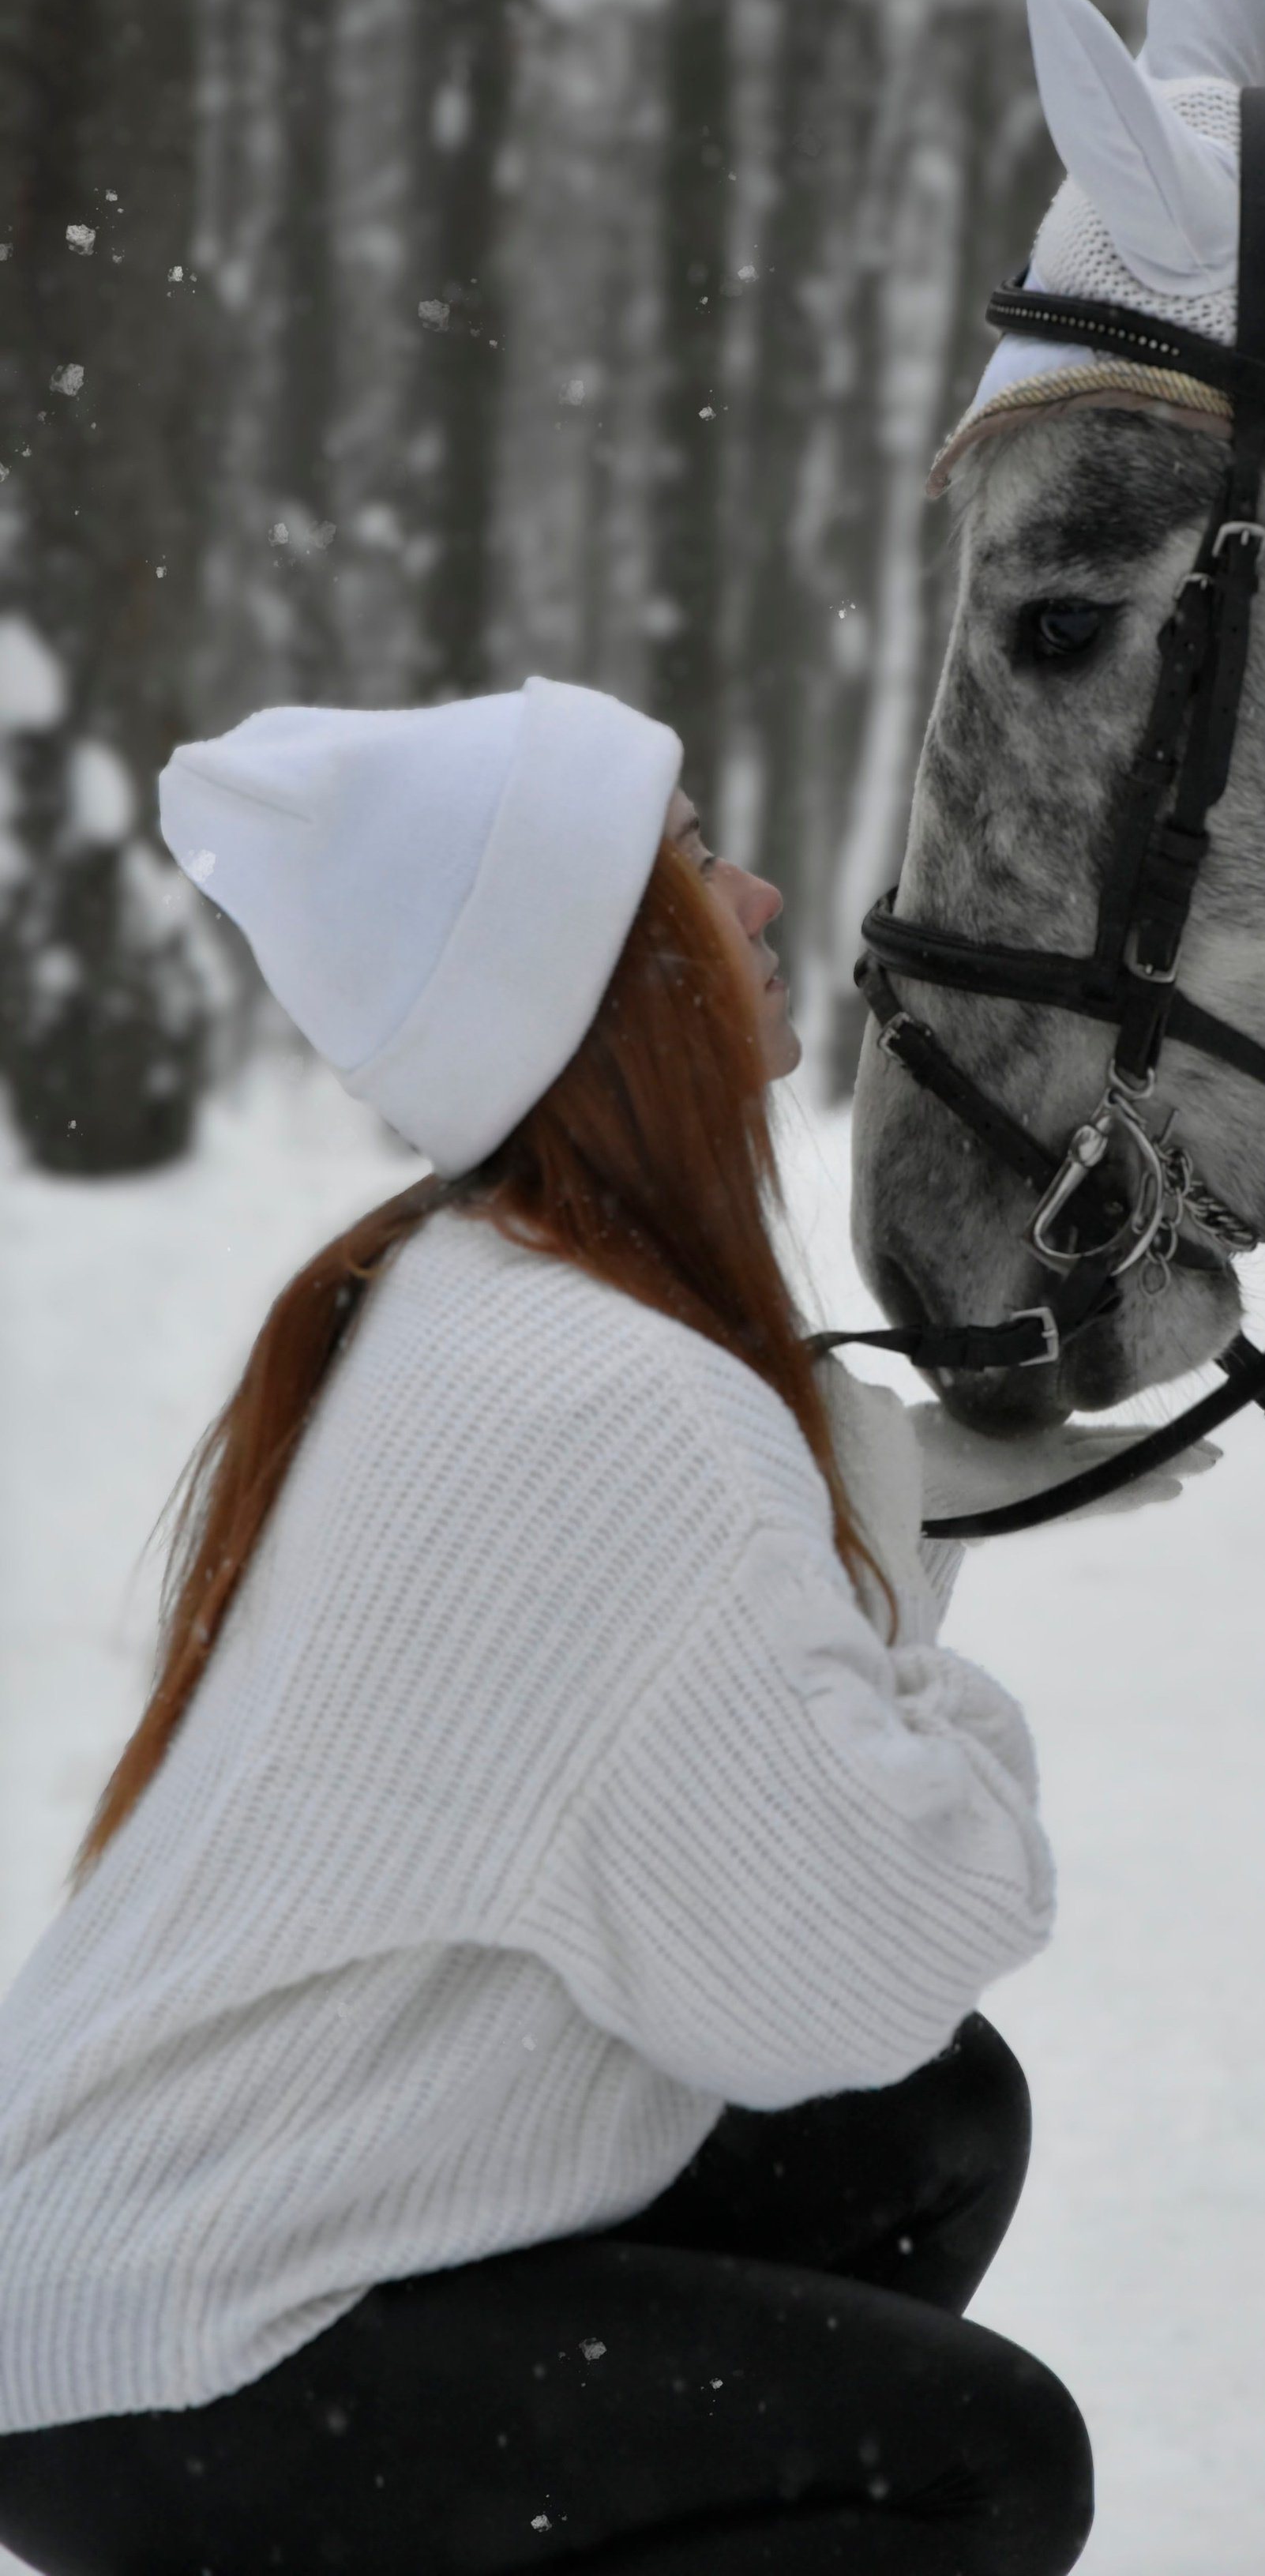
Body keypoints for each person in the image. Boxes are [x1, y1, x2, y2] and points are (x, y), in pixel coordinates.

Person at [0, 677, 1112, 2576]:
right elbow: (854, 1947)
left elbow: (714, 1836)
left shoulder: (466, 1287)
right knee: (975, 2461)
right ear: (594, 975)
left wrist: (873, 1480)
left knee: (920, 2122)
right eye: (692, 861)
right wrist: (947, 1703)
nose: (758, 895)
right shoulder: (615, 1395)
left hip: (125, 2275)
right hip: (192, 2343)